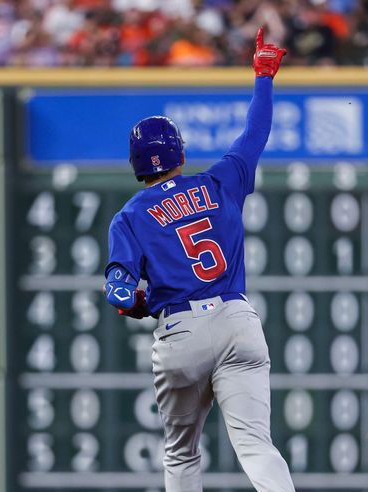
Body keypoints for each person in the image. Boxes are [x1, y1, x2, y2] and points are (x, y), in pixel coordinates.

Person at [103, 28, 294, 492]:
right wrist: (264, 76)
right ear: (180, 153)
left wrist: (136, 303)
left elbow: (119, 290)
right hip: (237, 319)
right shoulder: (219, 182)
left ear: (136, 164)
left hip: (182, 330)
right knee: (255, 443)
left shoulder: (129, 216)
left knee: (181, 451)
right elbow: (255, 132)